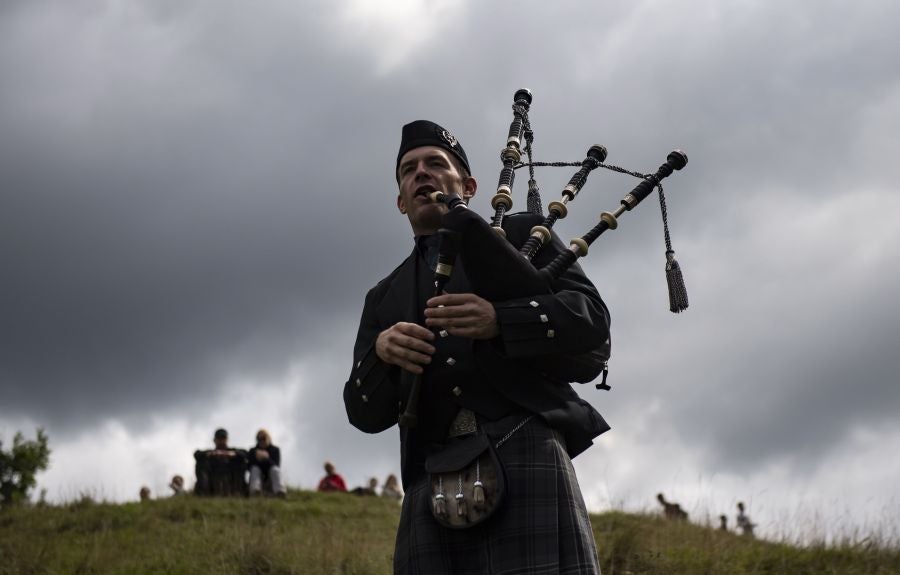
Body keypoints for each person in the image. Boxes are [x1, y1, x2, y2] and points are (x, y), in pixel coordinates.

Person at [343, 120, 611, 574]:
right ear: (400, 200)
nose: (421, 173)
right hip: (433, 475)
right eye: (409, 169)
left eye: (435, 164)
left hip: (526, 447)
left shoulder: (527, 234)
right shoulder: (383, 296)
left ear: (468, 185)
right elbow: (361, 411)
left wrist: (500, 321)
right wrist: (382, 357)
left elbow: (592, 324)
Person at [193, 428, 248, 496]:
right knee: (201, 463)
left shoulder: (233, 451)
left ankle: (238, 492)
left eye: (223, 438)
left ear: (227, 440)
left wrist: (232, 454)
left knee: (241, 462)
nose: (221, 441)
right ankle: (204, 492)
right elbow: (197, 454)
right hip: (212, 480)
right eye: (219, 439)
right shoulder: (211, 453)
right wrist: (210, 454)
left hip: (232, 480)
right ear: (214, 440)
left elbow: (246, 454)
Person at [248, 429, 286, 497]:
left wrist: (266, 458)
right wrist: (258, 459)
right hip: (258, 477)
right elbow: (249, 467)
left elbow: (276, 465)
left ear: (268, 438)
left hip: (270, 477)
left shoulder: (275, 450)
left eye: (263, 438)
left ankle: (280, 491)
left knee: (275, 470)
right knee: (255, 469)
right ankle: (255, 491)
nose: (261, 441)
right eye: (259, 439)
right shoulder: (253, 451)